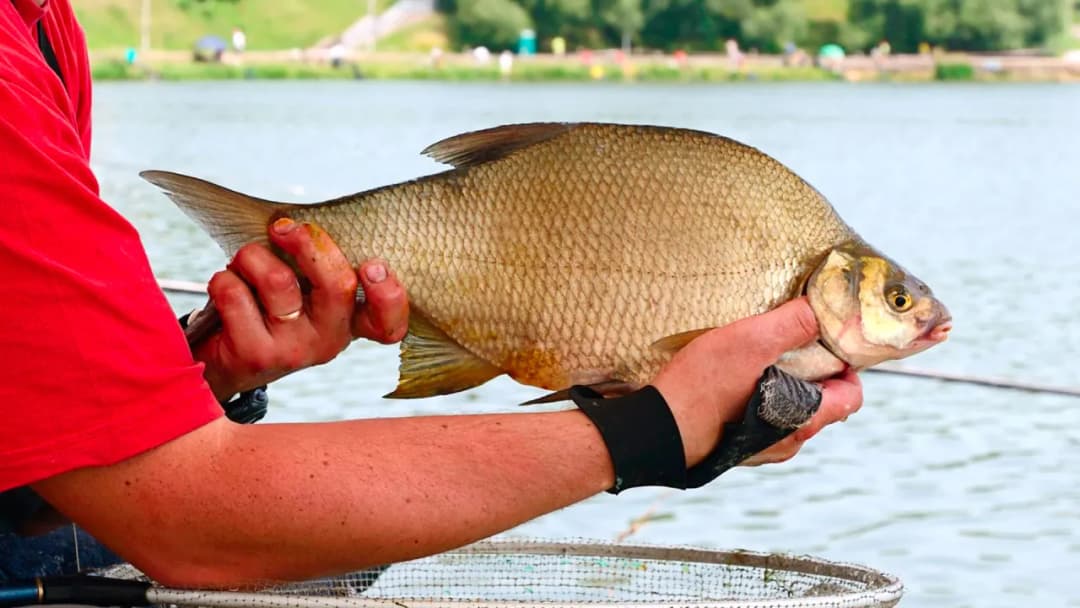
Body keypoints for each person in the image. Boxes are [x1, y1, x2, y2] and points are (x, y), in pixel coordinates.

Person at [0, 0, 862, 589]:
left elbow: (55, 471)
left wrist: (201, 373)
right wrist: (652, 431)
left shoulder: (46, 30)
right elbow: (186, 520)